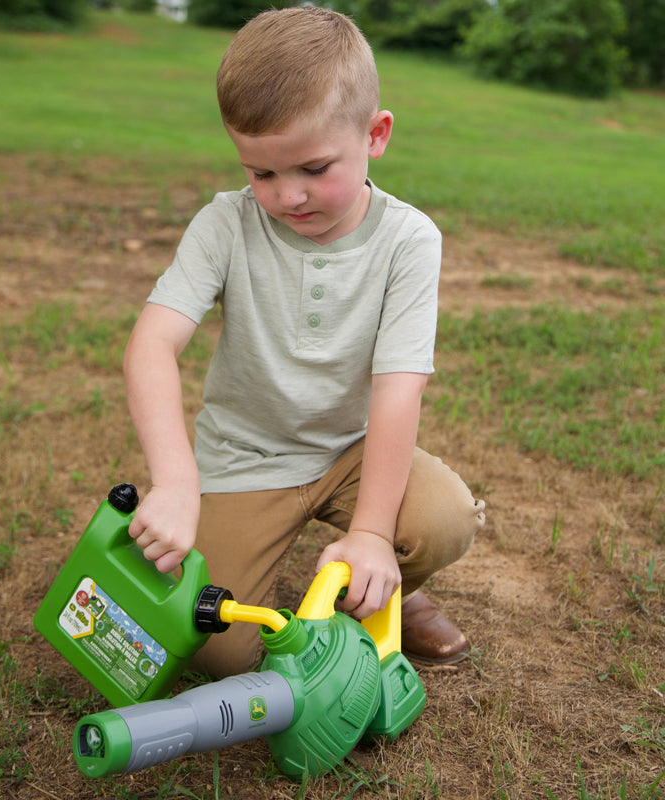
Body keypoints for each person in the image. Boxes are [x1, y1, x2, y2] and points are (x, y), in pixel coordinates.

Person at [123, 6, 485, 678]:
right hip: (245, 459)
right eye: (261, 174)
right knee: (221, 650)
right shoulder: (224, 225)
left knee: (442, 518)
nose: (288, 195)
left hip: (350, 453)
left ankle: (384, 586)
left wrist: (372, 532)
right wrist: (175, 483)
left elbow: (398, 390)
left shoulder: (409, 241)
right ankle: (339, 572)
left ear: (375, 135)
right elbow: (151, 347)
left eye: (314, 168)